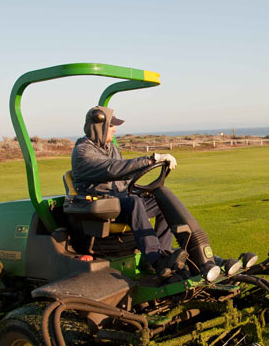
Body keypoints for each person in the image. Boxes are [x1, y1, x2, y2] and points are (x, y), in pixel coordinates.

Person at [71, 105, 186, 277]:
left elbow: (126, 175)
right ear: (99, 126)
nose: (115, 129)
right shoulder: (83, 152)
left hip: (118, 201)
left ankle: (161, 257)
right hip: (97, 206)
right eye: (111, 126)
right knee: (134, 202)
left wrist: (153, 170)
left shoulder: (111, 148)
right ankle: (156, 258)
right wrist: (149, 160)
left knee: (161, 200)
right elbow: (112, 169)